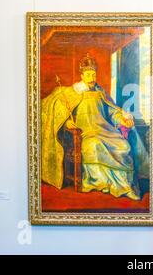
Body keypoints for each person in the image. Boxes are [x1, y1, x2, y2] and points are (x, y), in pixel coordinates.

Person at [41, 53, 141, 200]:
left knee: (123, 146)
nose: (92, 77)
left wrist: (122, 120)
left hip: (105, 131)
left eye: (93, 73)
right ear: (82, 75)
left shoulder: (100, 93)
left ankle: (124, 186)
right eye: (88, 74)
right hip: (86, 134)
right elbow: (57, 108)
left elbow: (112, 112)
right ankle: (100, 183)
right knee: (95, 144)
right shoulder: (73, 92)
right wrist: (67, 122)